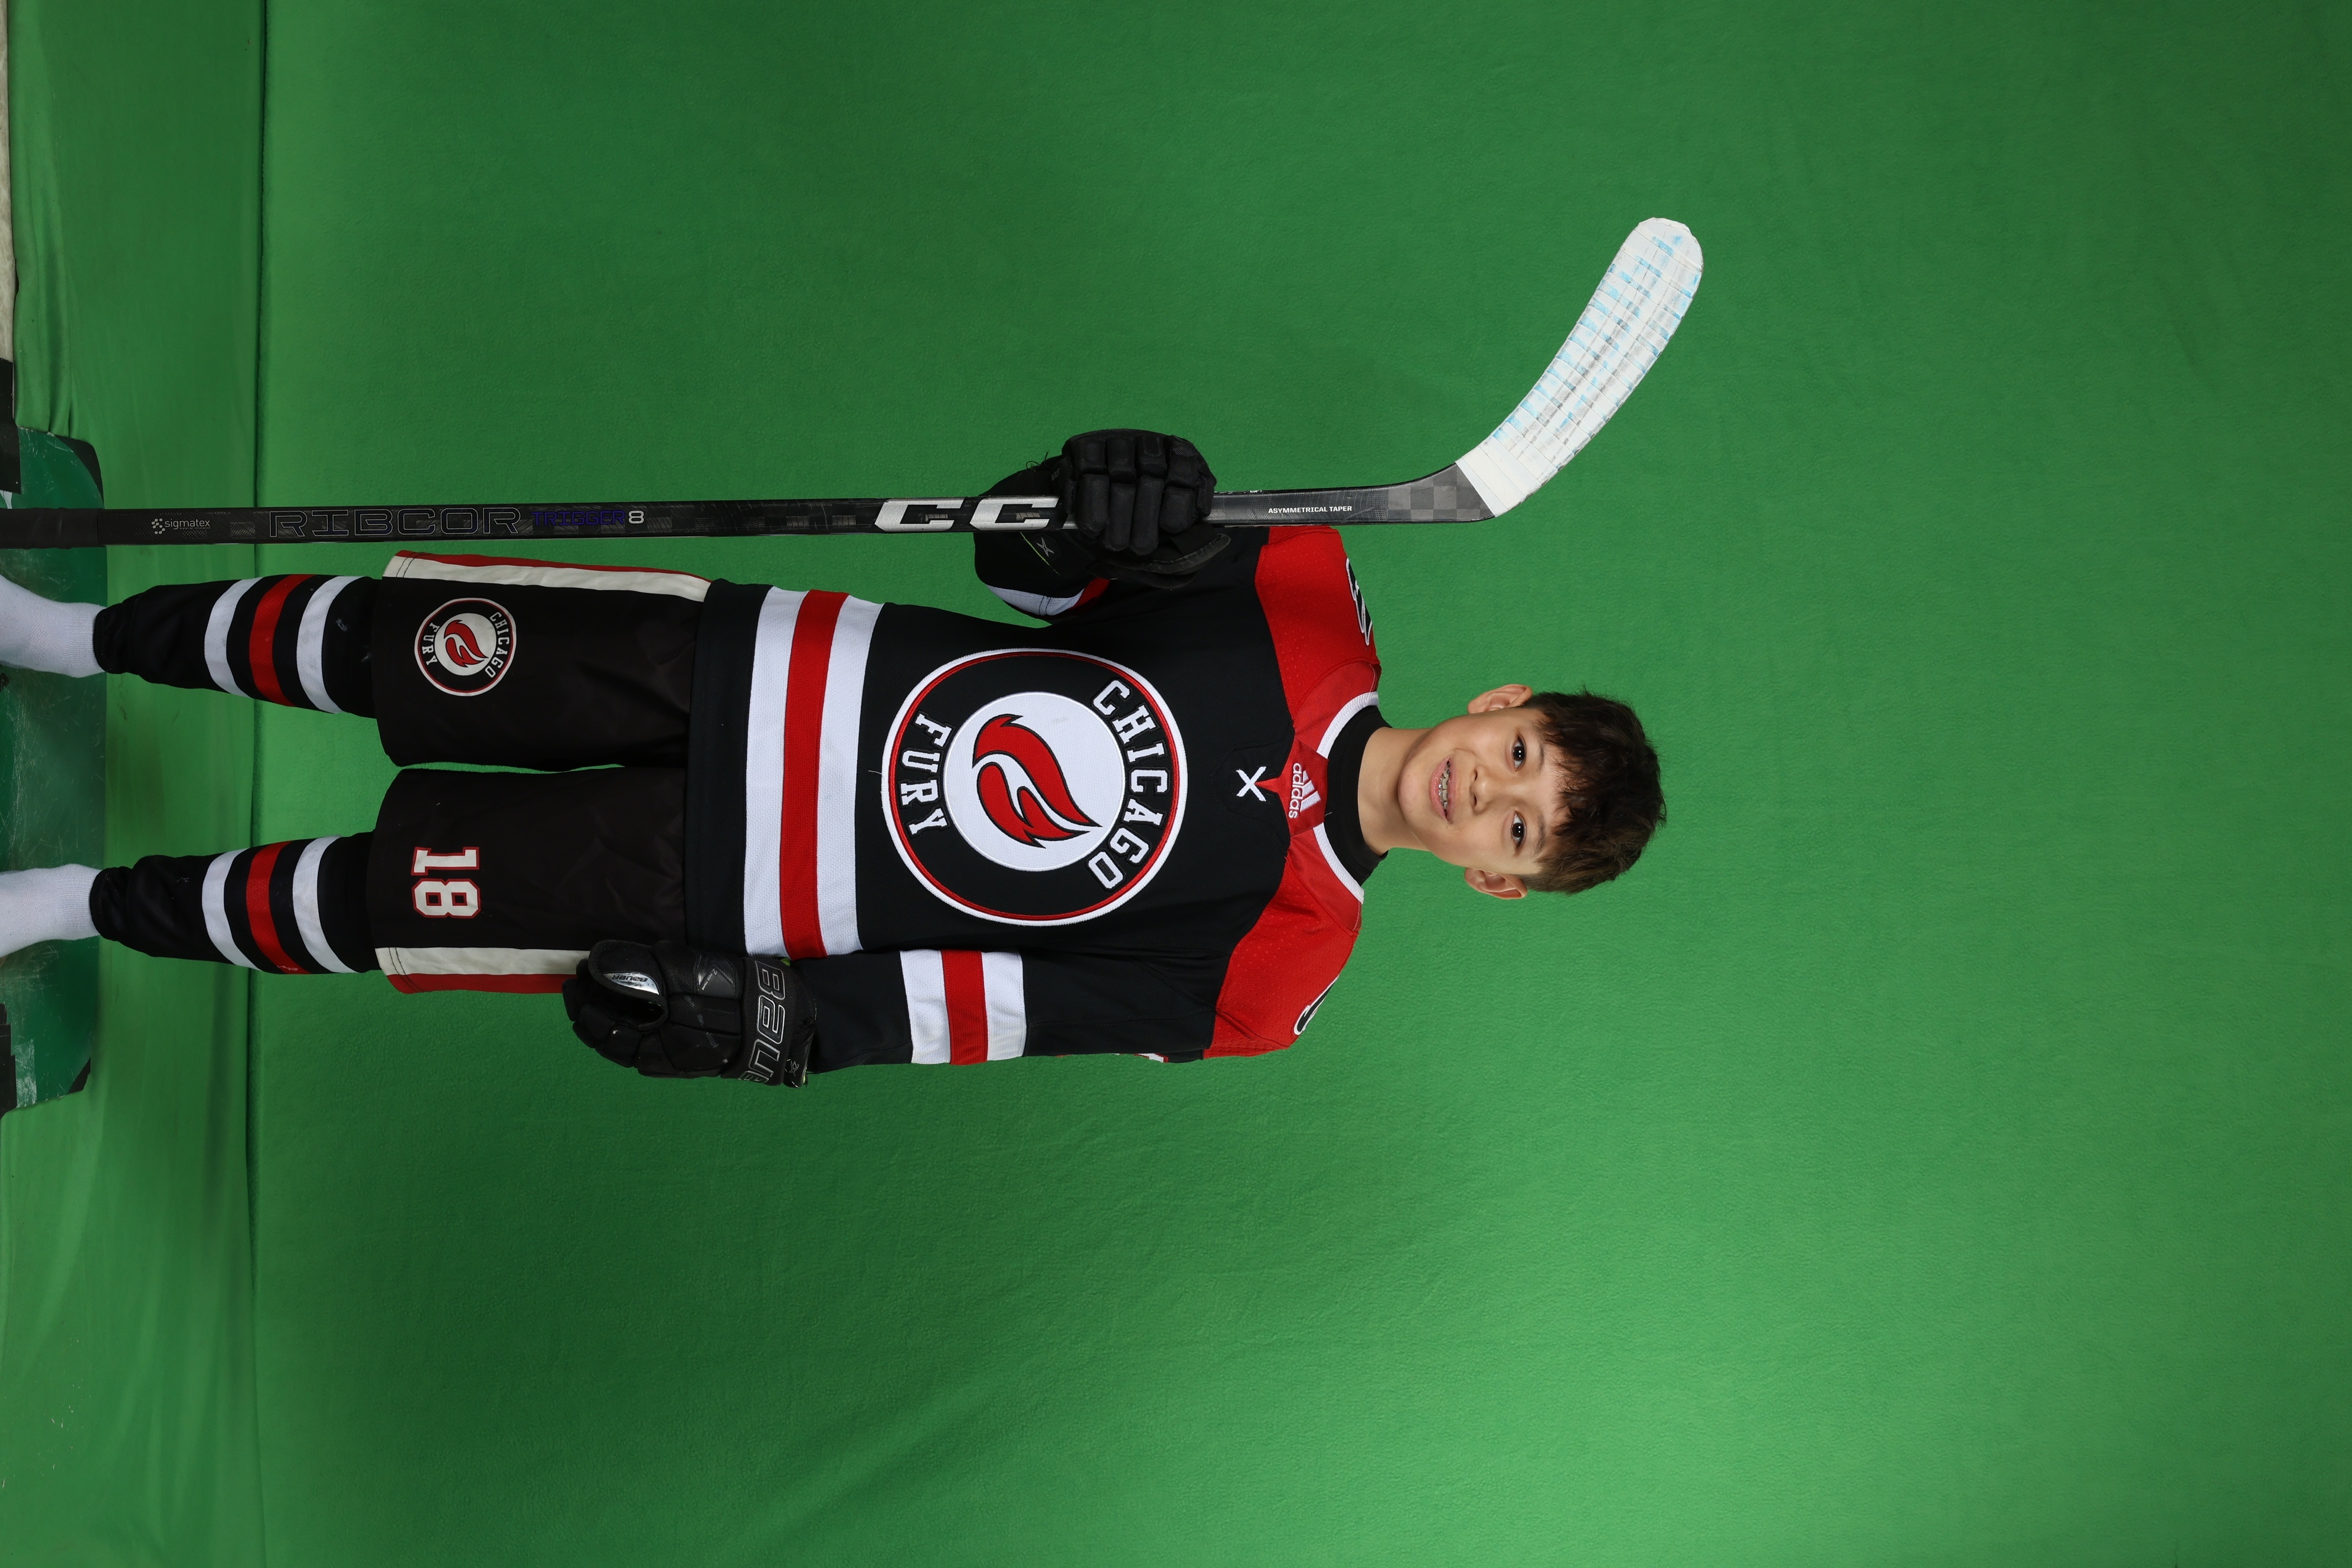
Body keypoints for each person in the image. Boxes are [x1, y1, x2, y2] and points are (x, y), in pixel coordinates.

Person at [0, 432, 1662, 1086]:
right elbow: (1022, 573)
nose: (1490, 789)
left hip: (742, 890)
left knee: (387, 898)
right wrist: (1090, 498)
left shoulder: (1277, 974)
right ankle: (65, 637)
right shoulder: (1298, 578)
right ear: (1500, 698)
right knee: (405, 646)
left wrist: (787, 1022)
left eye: (1520, 828)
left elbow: (1001, 1001)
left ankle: (71, 901)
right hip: (757, 664)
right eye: (1519, 751)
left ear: (1497, 884)